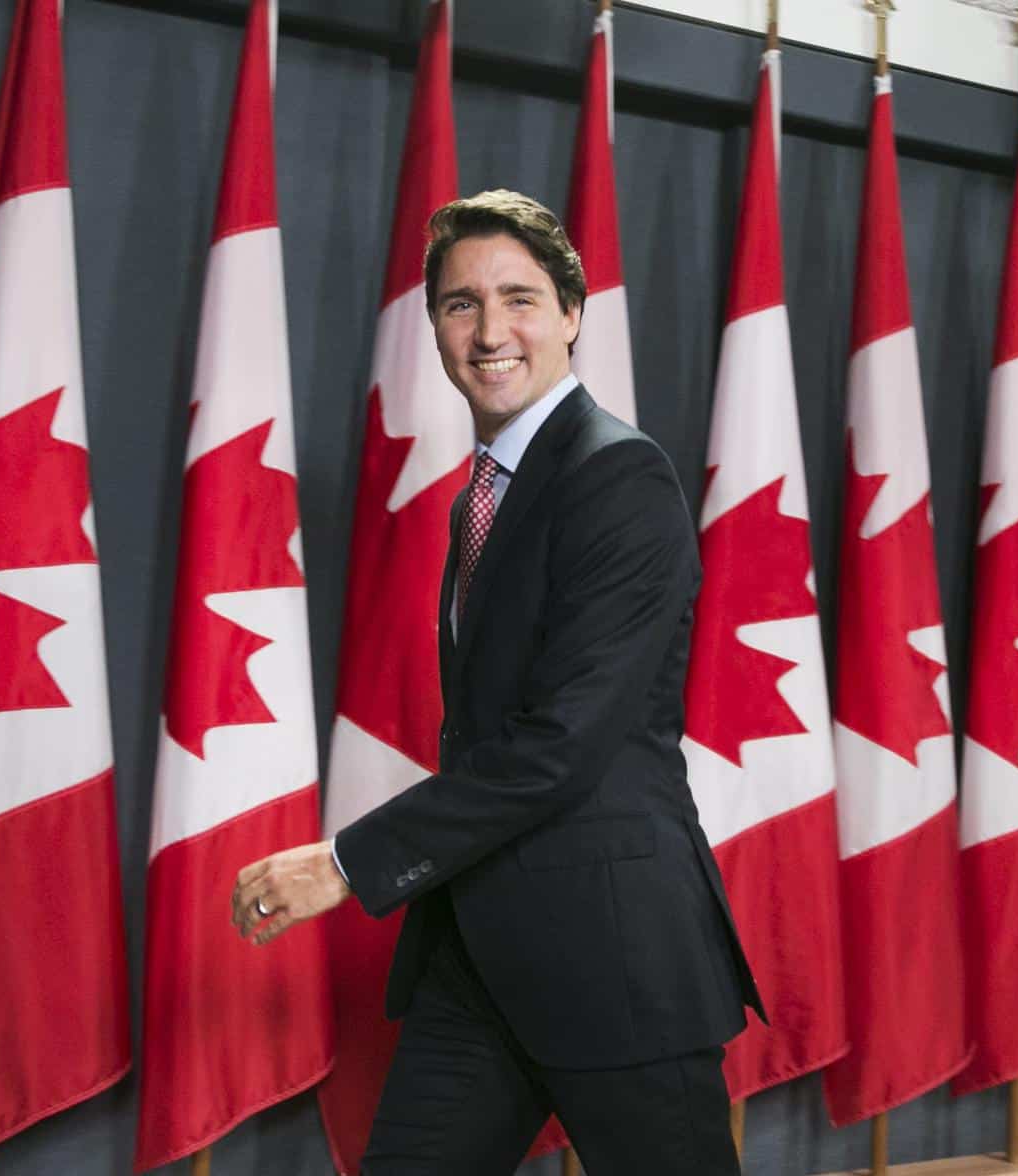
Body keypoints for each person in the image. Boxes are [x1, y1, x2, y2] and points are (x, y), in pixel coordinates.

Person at [230, 189, 761, 1175]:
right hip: (478, 958)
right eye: (461, 304)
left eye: (518, 298)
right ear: (434, 326)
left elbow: (561, 746)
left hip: (612, 956)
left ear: (570, 313)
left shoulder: (619, 478)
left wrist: (342, 865)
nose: (489, 329)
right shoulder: (487, 493)